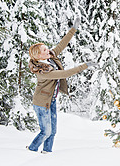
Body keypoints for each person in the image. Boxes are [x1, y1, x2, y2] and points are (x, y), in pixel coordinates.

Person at [26, 18, 95, 154]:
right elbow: (65, 73)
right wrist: (85, 65)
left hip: (50, 101)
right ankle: (31, 150)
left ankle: (47, 153)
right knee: (46, 131)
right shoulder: (43, 72)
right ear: (39, 56)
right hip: (41, 103)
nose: (48, 50)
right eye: (45, 49)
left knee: (53, 131)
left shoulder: (49, 58)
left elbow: (61, 44)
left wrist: (73, 29)